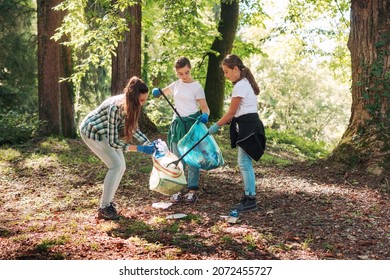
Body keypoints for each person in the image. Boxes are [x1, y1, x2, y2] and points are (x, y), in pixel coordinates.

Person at [79, 76, 155, 220]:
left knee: (121, 166)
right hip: (92, 132)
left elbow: (133, 128)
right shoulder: (116, 107)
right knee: (115, 165)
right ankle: (104, 207)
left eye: (145, 99)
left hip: (105, 133)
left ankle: (108, 204)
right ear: (133, 98)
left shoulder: (132, 105)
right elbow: (114, 142)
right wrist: (139, 149)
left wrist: (147, 143)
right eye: (141, 100)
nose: (143, 103)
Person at [208, 54, 266, 213]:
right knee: (244, 163)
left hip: (248, 127)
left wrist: (215, 126)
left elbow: (231, 113)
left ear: (235, 69)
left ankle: (250, 199)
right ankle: (248, 196)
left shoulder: (240, 85)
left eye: (227, 71)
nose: (225, 75)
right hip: (249, 126)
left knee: (244, 163)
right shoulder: (245, 83)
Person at [152, 57, 210, 203]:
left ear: (190, 69)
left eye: (186, 72)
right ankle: (177, 188)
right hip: (177, 125)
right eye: (180, 73)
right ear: (176, 73)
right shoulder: (176, 85)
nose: (184, 76)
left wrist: (205, 116)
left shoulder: (196, 86)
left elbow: (205, 108)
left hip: (191, 125)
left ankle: (192, 189)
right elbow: (161, 93)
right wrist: (157, 92)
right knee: (177, 157)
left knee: (192, 157)